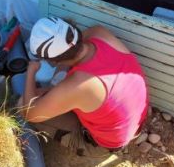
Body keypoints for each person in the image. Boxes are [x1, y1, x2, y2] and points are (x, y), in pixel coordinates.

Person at [17, 17, 148, 155]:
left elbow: (29, 113)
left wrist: (30, 71)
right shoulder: (98, 33)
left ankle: (87, 146)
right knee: (52, 92)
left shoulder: (79, 85)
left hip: (109, 142)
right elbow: (72, 50)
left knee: (22, 103)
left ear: (53, 61)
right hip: (135, 116)